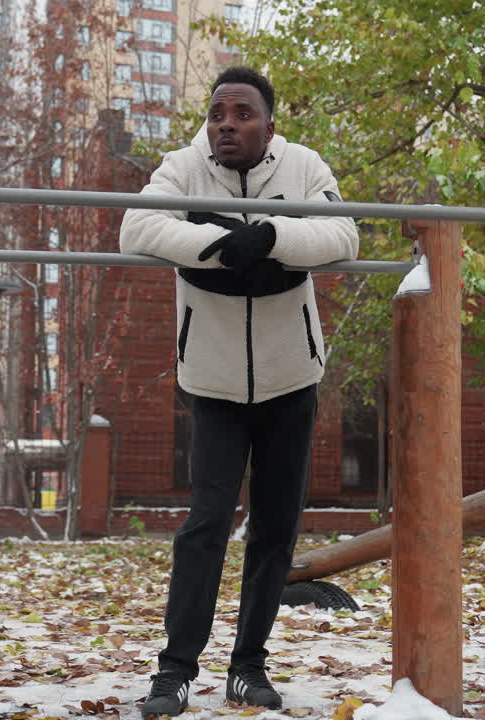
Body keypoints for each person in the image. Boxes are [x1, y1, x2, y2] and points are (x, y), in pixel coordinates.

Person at [119, 66, 359, 717]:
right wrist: (223, 243)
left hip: (291, 382)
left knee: (275, 528)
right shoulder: (183, 166)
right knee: (205, 526)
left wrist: (276, 234)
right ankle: (174, 671)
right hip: (215, 385)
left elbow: (343, 234)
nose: (228, 123)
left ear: (268, 125)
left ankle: (248, 668)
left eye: (243, 113)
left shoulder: (304, 165)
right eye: (218, 112)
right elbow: (136, 227)